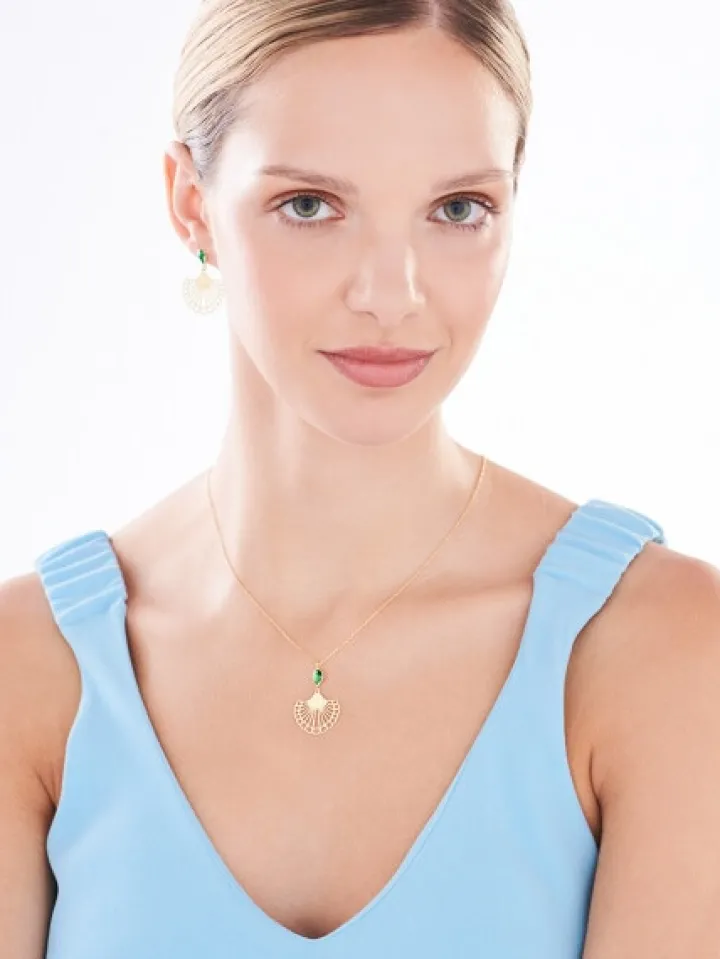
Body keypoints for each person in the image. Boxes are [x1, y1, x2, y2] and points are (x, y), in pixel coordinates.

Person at [2, 1, 719, 956]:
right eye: (310, 205)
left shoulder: (656, 646)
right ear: (190, 204)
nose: (392, 293)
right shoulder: (30, 667)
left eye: (457, 209)